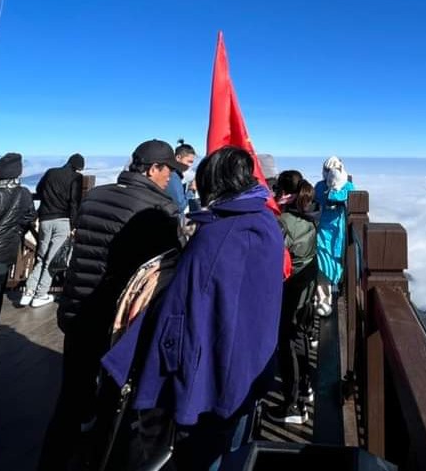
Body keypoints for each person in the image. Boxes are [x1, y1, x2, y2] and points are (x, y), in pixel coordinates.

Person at [100, 146, 285, 470]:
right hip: (247, 368)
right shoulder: (264, 222)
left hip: (206, 384)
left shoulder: (217, 234)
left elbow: (181, 310)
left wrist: (157, 372)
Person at [38, 139, 183, 471]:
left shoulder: (95, 197)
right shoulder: (159, 210)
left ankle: (49, 461)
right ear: (152, 169)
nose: (170, 179)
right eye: (168, 171)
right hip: (119, 323)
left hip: (77, 310)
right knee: (112, 402)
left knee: (71, 398)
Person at [268, 170, 319, 425]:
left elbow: (274, 258)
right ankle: (304, 392)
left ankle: (293, 405)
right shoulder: (309, 216)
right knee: (298, 340)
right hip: (305, 290)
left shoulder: (284, 221)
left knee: (288, 344)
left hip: (290, 291)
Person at [22, 153, 85, 308]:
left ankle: (28, 291)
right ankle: (41, 294)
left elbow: (39, 188)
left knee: (41, 257)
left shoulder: (51, 172)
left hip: (44, 219)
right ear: (78, 167)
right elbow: (75, 202)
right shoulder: (76, 178)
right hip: (63, 221)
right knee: (53, 260)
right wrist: (74, 224)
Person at [314, 156, 354, 317]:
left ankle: (335, 290)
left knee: (338, 263)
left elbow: (343, 196)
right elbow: (326, 197)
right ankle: (323, 301)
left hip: (339, 233)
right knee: (323, 265)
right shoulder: (320, 186)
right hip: (324, 232)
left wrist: (337, 182)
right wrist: (333, 184)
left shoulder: (348, 186)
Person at [165, 140, 197, 224]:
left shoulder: (175, 175)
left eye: (192, 162)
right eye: (188, 161)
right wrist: (191, 190)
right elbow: (180, 206)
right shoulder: (173, 177)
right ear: (178, 158)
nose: (190, 165)